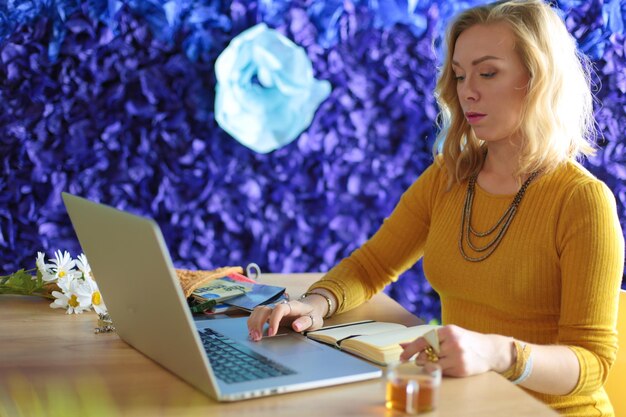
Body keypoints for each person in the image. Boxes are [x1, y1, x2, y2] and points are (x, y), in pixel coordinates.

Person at [247, 1, 625, 415]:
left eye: (488, 72)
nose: (468, 91)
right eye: (460, 75)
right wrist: (314, 304)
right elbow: (373, 264)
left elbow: (592, 363)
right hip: (469, 404)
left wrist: (500, 353)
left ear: (538, 79)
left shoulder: (582, 201)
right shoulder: (449, 178)